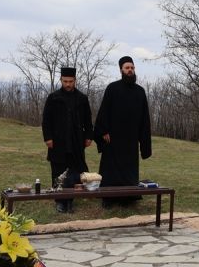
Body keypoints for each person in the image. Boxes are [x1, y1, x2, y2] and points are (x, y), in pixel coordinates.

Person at [93, 56, 152, 205]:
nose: (130, 70)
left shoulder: (140, 91)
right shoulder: (112, 88)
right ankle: (108, 198)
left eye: (132, 67)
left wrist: (144, 143)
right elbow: (104, 111)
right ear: (121, 70)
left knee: (129, 170)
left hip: (131, 140)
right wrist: (103, 131)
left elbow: (144, 118)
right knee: (110, 170)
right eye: (127, 68)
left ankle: (128, 198)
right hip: (113, 139)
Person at [41, 66, 93, 213]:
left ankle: (70, 200)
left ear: (75, 80)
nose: (68, 84)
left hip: (76, 142)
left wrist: (89, 136)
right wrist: (48, 138)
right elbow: (46, 120)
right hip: (58, 142)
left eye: (70, 81)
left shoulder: (82, 98)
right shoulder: (53, 98)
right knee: (58, 171)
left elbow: (88, 120)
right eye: (65, 81)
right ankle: (59, 200)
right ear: (61, 80)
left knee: (75, 172)